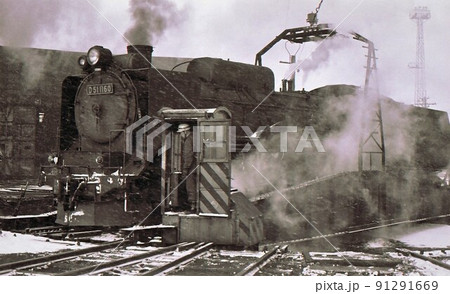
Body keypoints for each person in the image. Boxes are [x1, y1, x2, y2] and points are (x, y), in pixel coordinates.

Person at [178, 123, 197, 212]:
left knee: (190, 185)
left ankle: (193, 205)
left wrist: (185, 170)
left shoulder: (188, 141)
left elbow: (188, 156)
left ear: (185, 132)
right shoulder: (195, 137)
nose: (180, 135)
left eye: (181, 133)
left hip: (192, 167)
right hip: (196, 165)